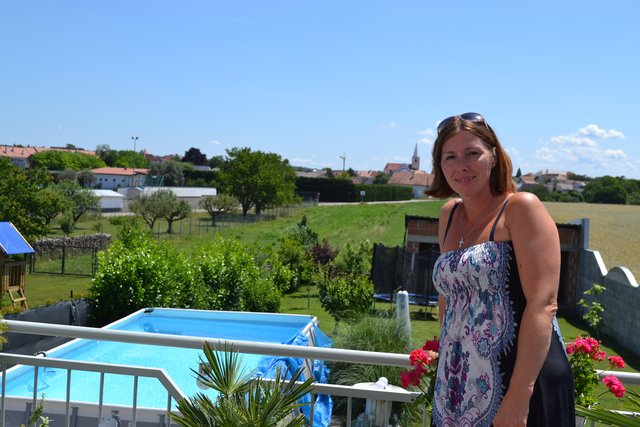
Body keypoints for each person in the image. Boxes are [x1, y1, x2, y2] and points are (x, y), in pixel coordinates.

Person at [426, 112, 575, 426]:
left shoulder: (521, 207)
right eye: (449, 156)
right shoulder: (448, 214)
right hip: (458, 383)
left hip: (520, 380)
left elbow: (543, 304)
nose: (460, 166)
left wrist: (519, 398)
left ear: (493, 156)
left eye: (472, 153)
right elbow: (449, 297)